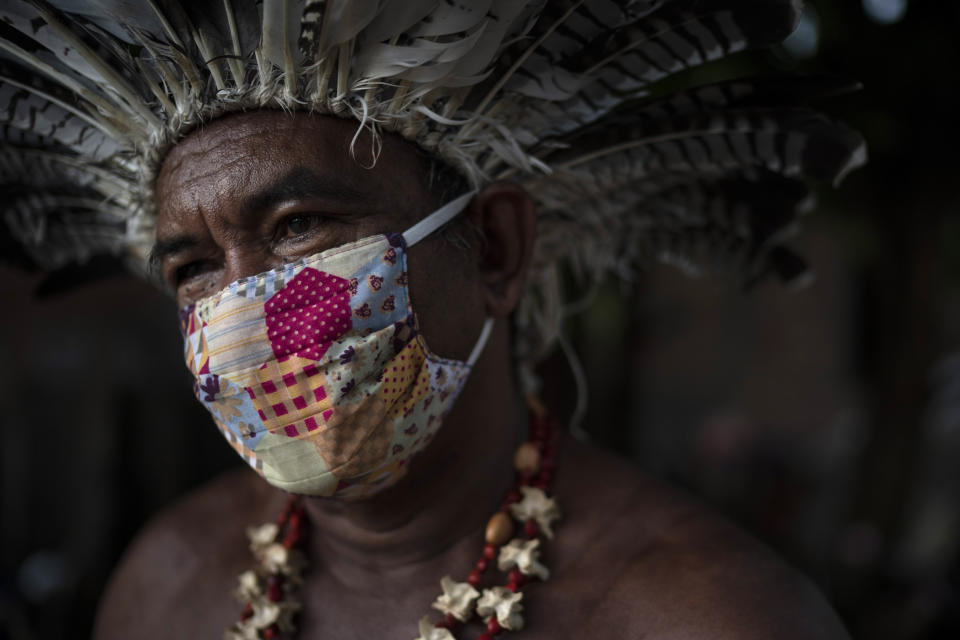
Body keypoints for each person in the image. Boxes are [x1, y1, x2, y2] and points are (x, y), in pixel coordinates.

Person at [0, 1, 864, 638]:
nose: (241, 318)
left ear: (494, 248)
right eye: (192, 268)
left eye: (299, 226)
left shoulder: (708, 616)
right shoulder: (167, 585)